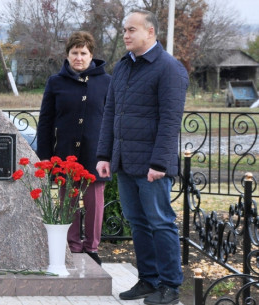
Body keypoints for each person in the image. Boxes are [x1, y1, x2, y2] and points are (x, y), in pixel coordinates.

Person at [96, 9, 188, 305]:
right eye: (124, 29)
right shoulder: (123, 66)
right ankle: (148, 280)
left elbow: (170, 120)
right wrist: (104, 154)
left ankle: (170, 286)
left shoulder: (169, 68)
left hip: (152, 166)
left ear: (150, 32)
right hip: (125, 161)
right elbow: (111, 113)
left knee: (160, 223)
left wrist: (160, 163)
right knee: (137, 223)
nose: (125, 34)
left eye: (132, 30)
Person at [36, 31, 111, 266]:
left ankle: (92, 247)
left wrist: (109, 154)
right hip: (65, 154)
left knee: (94, 202)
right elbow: (46, 122)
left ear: (91, 55)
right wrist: (46, 159)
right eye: (74, 53)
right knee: (68, 201)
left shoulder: (106, 82)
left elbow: (112, 121)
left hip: (95, 155)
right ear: (67, 55)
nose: (79, 57)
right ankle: (72, 246)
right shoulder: (55, 82)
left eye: (83, 53)